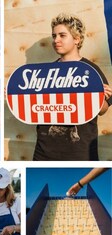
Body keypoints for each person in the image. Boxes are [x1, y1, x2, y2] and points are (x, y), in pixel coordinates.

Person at [33, 13, 112, 161]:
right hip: (44, 151)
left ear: (77, 39)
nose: (56, 40)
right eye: (54, 36)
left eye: (62, 35)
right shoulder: (45, 73)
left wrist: (101, 96)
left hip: (80, 151)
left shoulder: (91, 71)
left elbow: (102, 110)